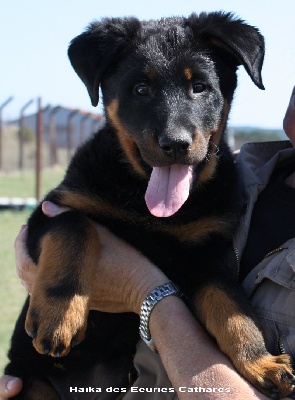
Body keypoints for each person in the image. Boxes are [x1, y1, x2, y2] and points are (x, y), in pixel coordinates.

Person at [1, 86, 295, 400]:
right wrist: (62, 275)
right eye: (141, 90)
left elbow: (203, 275)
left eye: (198, 89)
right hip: (51, 379)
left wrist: (144, 291)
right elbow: (55, 217)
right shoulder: (226, 173)